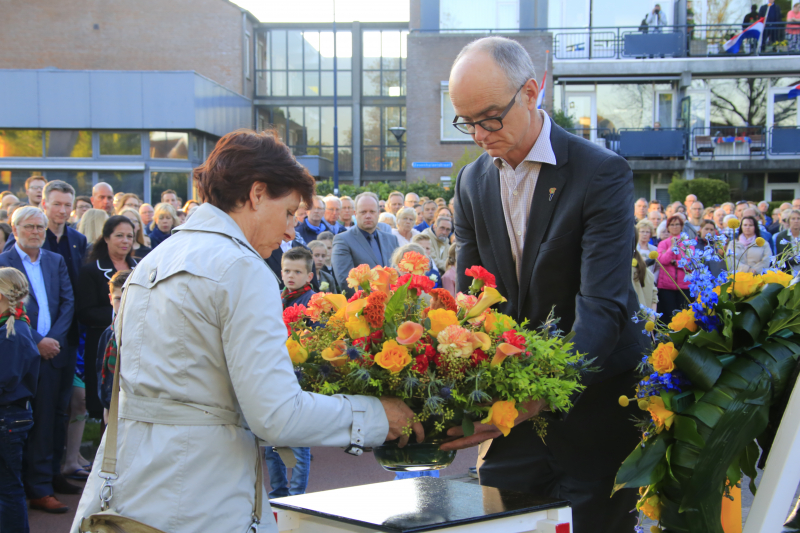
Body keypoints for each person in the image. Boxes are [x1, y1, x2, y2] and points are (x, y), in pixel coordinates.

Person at [70, 129, 420, 533]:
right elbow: (276, 414)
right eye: (288, 211)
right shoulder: (241, 268)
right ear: (256, 194)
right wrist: (379, 416)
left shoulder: (152, 261)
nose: (291, 230)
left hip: (129, 493)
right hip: (201, 498)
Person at [445, 37, 644, 533]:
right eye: (466, 122)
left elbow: (602, 306)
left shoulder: (601, 173)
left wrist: (541, 395)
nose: (480, 134)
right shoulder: (471, 182)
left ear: (532, 91)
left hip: (597, 409)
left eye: (490, 117)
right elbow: (475, 302)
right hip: (514, 421)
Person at [0, 207, 76, 513]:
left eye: (41, 227)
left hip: (54, 353)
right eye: (30, 227)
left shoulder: (55, 260)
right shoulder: (3, 263)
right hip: (17, 354)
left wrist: (52, 341)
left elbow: (68, 302)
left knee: (47, 422)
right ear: (15, 229)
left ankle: (41, 487)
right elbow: (7, 312)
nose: (36, 232)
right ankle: (15, 488)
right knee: (16, 425)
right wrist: (37, 341)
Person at [76, 216, 137, 420]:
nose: (125, 241)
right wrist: (122, 314)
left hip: (136, 342)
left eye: (129, 236)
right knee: (107, 402)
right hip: (103, 342)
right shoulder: (91, 270)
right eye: (119, 235)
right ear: (106, 238)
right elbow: (85, 311)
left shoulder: (142, 269)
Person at [0, 267, 40, 532]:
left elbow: (5, 379)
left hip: (8, 418)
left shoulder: (14, 332)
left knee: (9, 489)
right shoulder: (10, 326)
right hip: (9, 416)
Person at [331, 192, 399, 297]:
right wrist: (376, 301)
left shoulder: (391, 239)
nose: (368, 216)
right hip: (362, 307)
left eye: (372, 211)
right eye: (363, 212)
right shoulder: (342, 240)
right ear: (355, 213)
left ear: (378, 213)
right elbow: (345, 281)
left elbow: (397, 275)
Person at [95, 270, 131, 421]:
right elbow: (102, 372)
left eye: (128, 298)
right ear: (110, 299)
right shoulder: (108, 334)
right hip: (113, 403)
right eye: (118, 299)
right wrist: (106, 405)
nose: (122, 304)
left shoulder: (146, 333)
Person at [656, 216, 693, 320]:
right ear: (668, 227)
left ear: (681, 227)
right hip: (666, 287)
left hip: (684, 286)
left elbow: (690, 264)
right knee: (669, 316)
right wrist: (672, 248)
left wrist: (674, 262)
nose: (674, 227)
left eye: (677, 224)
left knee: (685, 315)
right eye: (672, 225)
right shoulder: (663, 243)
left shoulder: (688, 244)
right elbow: (662, 260)